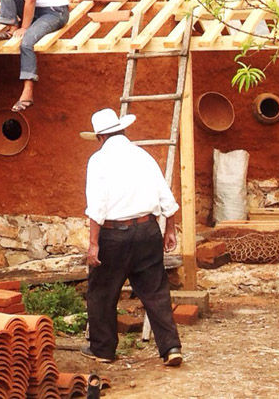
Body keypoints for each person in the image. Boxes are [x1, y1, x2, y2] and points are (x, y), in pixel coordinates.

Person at [80, 108, 183, 367]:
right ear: (122, 130)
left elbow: (97, 207)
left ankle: (103, 350)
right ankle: (171, 347)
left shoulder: (98, 161)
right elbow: (166, 197)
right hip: (148, 230)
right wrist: (170, 229)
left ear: (100, 138)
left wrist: (93, 244)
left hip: (114, 235)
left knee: (102, 292)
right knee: (156, 291)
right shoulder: (143, 156)